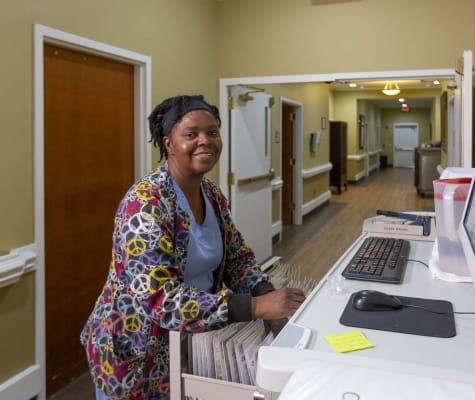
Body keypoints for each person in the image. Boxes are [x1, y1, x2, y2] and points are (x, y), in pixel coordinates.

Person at [80, 94, 306, 400]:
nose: (206, 141)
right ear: (168, 143)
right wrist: (254, 307)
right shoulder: (145, 202)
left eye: (212, 132)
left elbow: (238, 258)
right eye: (191, 134)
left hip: (189, 338)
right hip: (137, 350)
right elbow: (161, 300)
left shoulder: (211, 193)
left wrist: (268, 296)